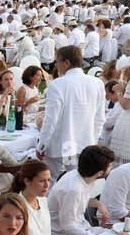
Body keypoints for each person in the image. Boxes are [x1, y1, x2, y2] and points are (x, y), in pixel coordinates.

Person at [39, 45, 105, 178]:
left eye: (57, 61)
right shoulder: (97, 83)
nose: (55, 65)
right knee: (75, 179)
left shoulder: (57, 84)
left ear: (66, 62)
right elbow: (100, 118)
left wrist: (42, 145)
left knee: (48, 181)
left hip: (59, 143)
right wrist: (92, 141)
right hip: (83, 143)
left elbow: (51, 119)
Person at [48, 144, 114, 235]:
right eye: (110, 166)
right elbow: (68, 226)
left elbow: (80, 200)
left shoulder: (80, 175)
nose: (112, 168)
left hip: (78, 229)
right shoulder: (73, 189)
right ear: (99, 173)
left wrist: (98, 204)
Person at [9, 161, 60, 235]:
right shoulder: (17, 207)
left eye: (49, 180)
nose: (47, 185)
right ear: (27, 181)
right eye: (41, 181)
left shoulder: (43, 200)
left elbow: (47, 231)